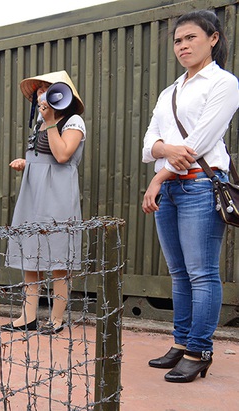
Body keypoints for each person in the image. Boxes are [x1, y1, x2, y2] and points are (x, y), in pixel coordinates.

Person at [141, 10, 239, 383]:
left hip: (199, 184)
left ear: (213, 38)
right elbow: (149, 144)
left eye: (191, 38)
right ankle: (181, 343)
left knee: (201, 273)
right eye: (178, 41)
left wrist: (159, 175)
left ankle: (199, 349)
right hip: (169, 188)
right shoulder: (169, 92)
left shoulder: (224, 83)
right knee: (179, 274)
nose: (182, 46)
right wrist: (164, 154)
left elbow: (200, 141)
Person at [1, 70, 86, 335]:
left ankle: (56, 319)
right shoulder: (41, 122)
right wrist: (27, 163)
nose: (41, 95)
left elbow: (62, 156)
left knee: (58, 254)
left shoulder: (73, 122)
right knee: (30, 253)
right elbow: (44, 156)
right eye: (38, 90)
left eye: (46, 89)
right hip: (33, 192)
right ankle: (28, 317)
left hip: (57, 192)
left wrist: (49, 121)